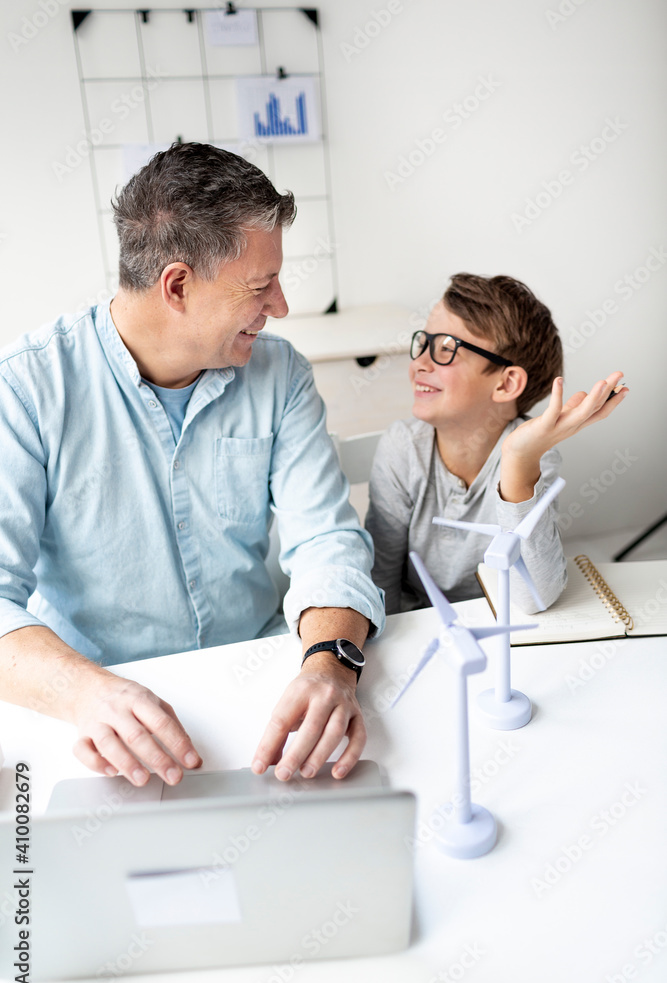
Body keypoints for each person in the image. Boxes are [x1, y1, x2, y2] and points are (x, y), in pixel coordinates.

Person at [0, 142, 384, 787]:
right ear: (177, 285)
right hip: (99, 709)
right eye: (260, 286)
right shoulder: (26, 390)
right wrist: (85, 693)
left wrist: (330, 664)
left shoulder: (280, 374)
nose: (281, 306)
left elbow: (328, 542)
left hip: (261, 684)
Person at [366, 272, 628, 614]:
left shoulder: (534, 457)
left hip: (500, 621)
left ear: (505, 384)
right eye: (423, 344)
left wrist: (519, 460)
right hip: (419, 622)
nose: (419, 363)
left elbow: (535, 597)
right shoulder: (403, 448)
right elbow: (380, 585)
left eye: (446, 348)